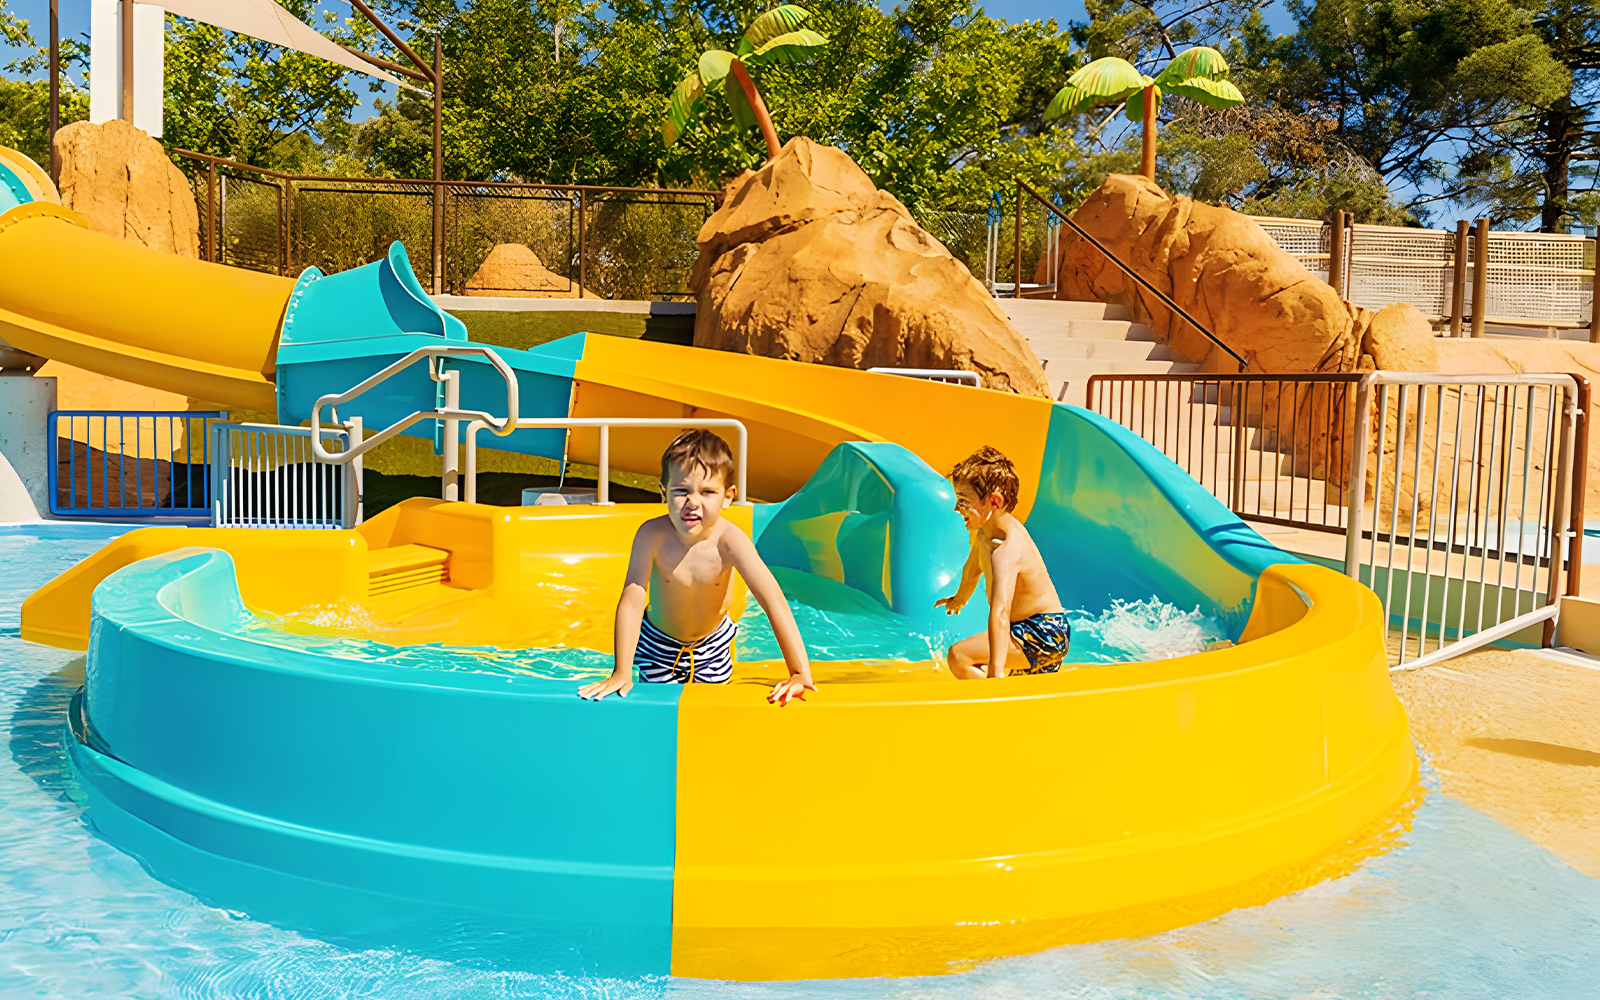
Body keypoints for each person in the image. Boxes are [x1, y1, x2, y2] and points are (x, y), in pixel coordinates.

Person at [577, 429, 815, 705]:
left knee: (712, 715)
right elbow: (632, 598)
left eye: (707, 492)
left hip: (712, 647)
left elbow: (773, 600)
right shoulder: (650, 536)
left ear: (728, 496)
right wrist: (621, 671)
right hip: (658, 646)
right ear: (663, 493)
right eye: (681, 491)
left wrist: (799, 672)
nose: (693, 502)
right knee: (653, 711)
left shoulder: (731, 541)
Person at [935, 446, 1070, 678]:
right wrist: (959, 599)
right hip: (1030, 631)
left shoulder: (1006, 547)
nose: (957, 509)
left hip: (1043, 631)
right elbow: (972, 568)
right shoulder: (985, 533)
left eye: (964, 501)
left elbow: (1000, 612)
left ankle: (996, 690)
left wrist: (995, 676)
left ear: (994, 502)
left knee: (959, 656)